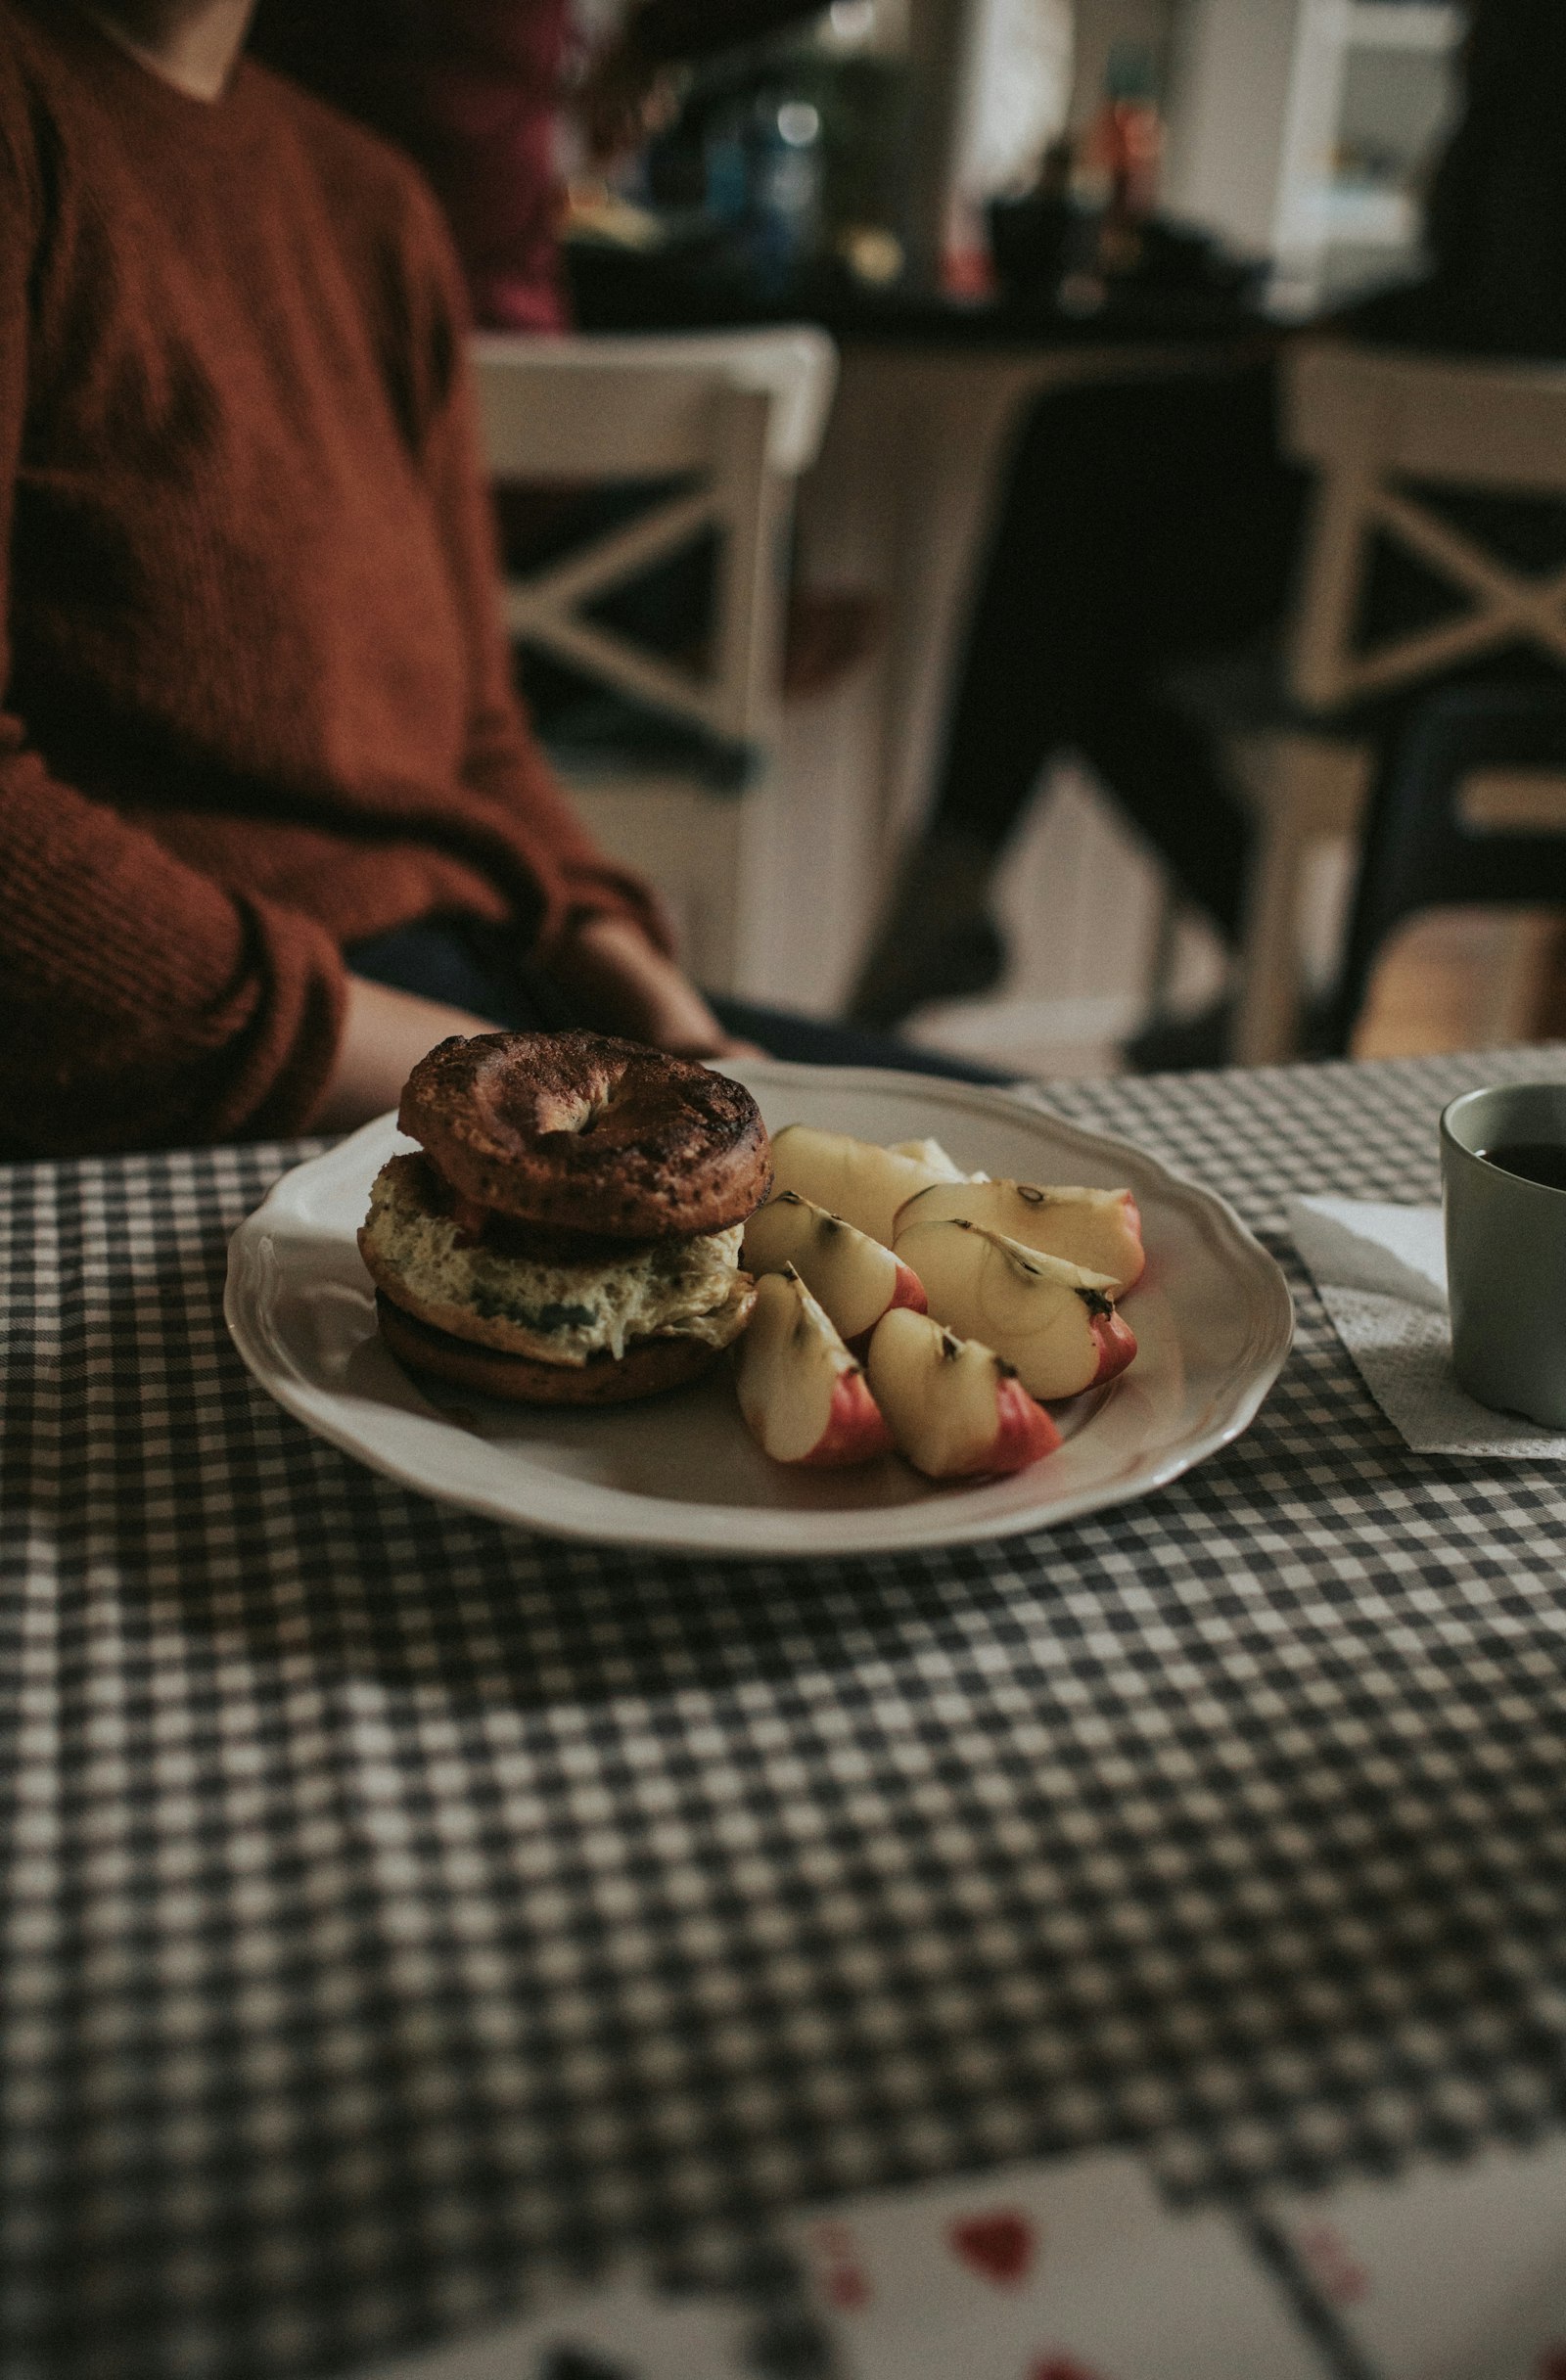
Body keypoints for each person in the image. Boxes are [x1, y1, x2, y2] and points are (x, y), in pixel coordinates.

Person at [0, 0, 992, 1164]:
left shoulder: (371, 203)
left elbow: (475, 733)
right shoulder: (34, 124)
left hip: (477, 992)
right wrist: (467, 1069)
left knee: (1074, 1161)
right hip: (202, 1065)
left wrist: (663, 1006)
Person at [848, 0, 1566, 1049]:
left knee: (1078, 502)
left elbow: (1508, 318)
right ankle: (1280, 994)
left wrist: (1329, 343)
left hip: (1484, 611)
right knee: (1084, 606)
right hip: (1484, 575)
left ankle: (964, 883)